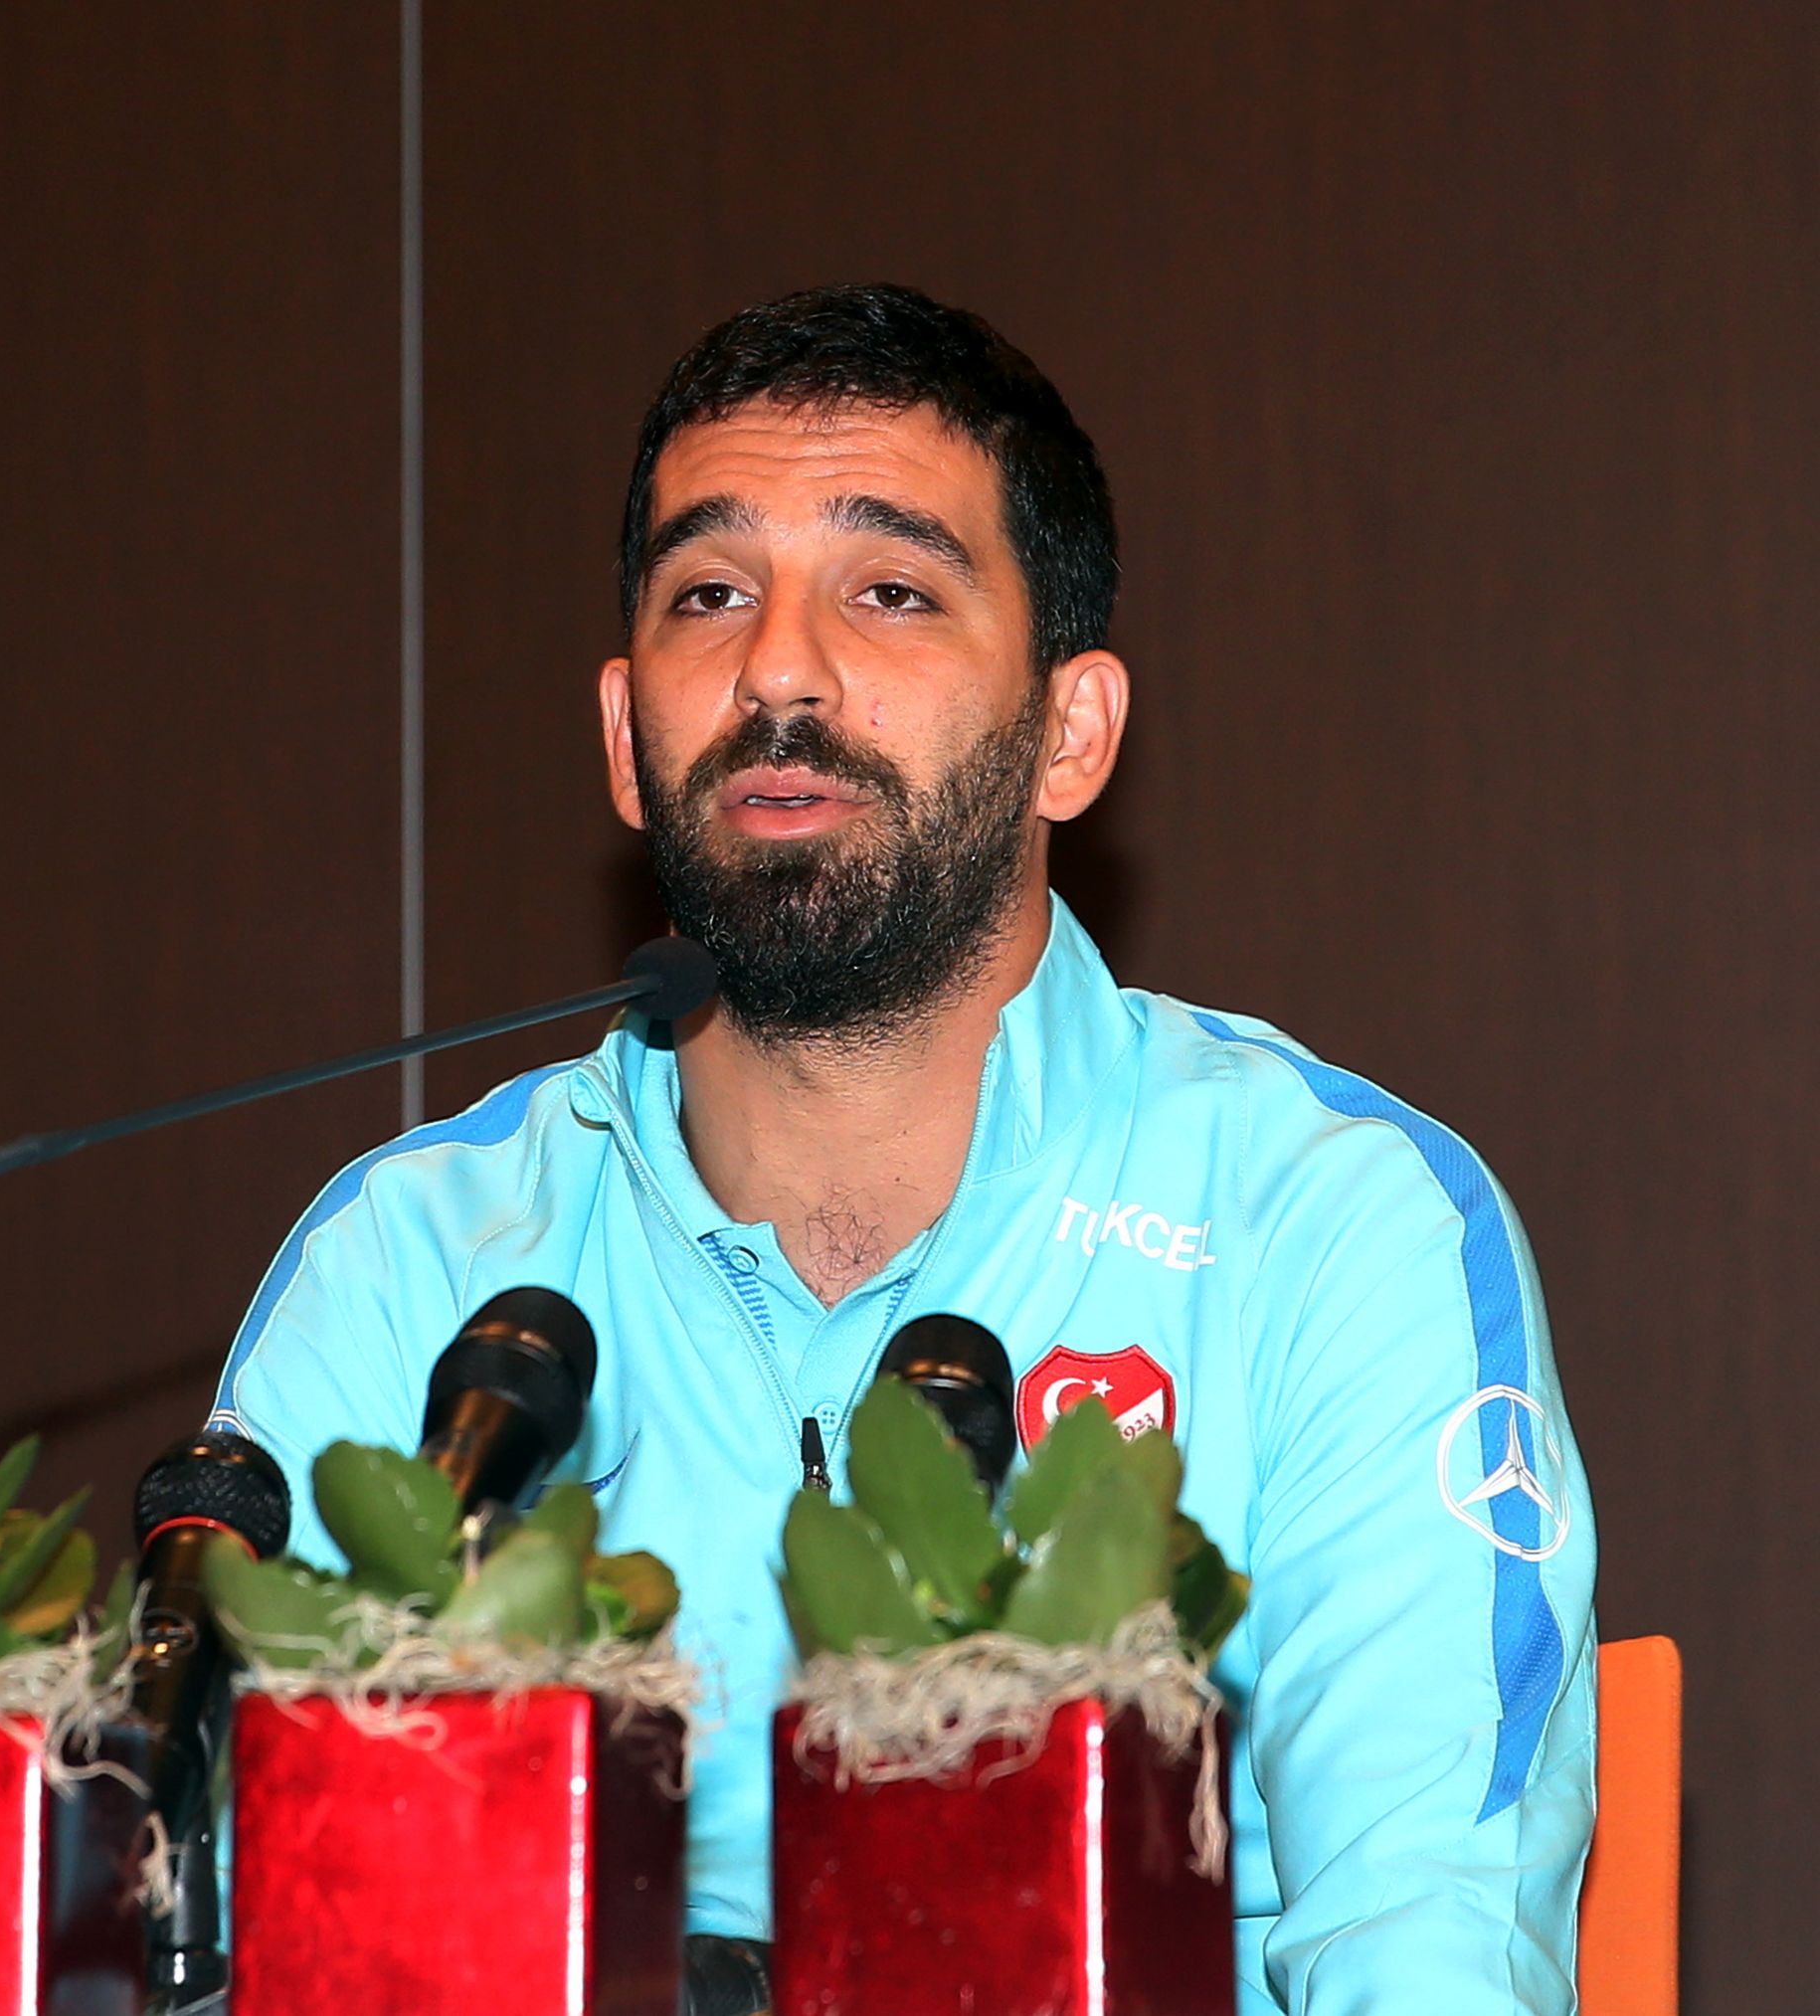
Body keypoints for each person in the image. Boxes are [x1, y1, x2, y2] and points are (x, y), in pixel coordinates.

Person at [208, 283, 1595, 2014]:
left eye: (891, 591)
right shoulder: (417, 1266)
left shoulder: (1326, 1228)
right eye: (709, 596)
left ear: (1071, 735)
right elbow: (230, 1919)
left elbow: (1427, 1951)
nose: (778, 667)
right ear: (626, 736)